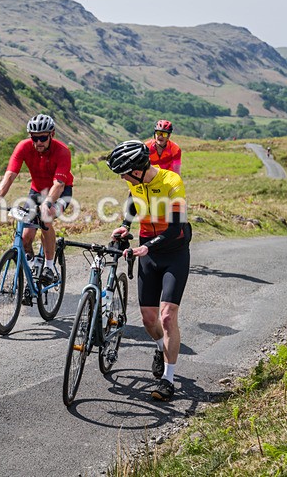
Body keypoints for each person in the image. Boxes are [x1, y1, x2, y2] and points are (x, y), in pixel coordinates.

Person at [107, 140, 191, 401]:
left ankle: (168, 379)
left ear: (138, 169)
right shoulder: (135, 182)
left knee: (167, 317)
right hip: (148, 251)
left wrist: (148, 247)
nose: (122, 177)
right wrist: (125, 225)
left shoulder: (172, 182)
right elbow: (134, 200)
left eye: (123, 172)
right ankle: (159, 348)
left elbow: (177, 227)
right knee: (147, 319)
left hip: (174, 253)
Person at [0, 114, 73, 286]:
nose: (39, 142)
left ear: (52, 134)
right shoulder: (23, 147)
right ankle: (32, 264)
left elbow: (58, 185)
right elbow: (10, 174)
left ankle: (49, 266)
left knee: (46, 216)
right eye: (35, 138)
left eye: (43, 137)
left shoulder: (63, 151)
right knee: (26, 237)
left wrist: (48, 202)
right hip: (36, 191)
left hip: (60, 192)